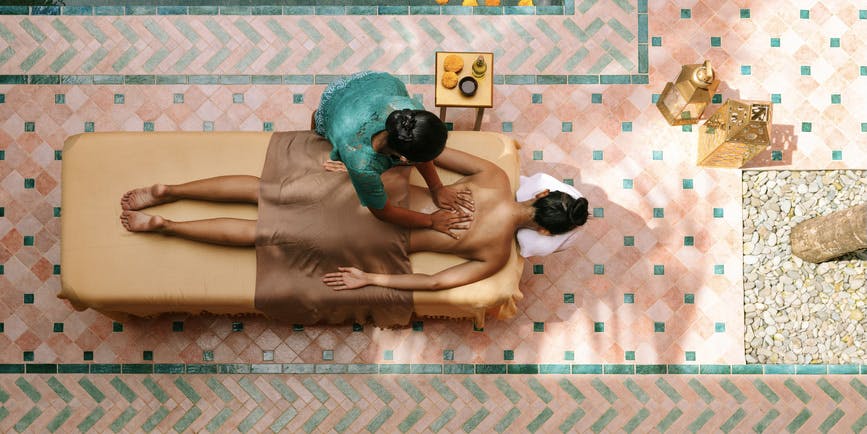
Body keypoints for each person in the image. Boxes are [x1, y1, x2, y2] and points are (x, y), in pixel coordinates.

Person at [321, 146, 589, 292]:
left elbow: (425, 150)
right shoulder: (496, 255)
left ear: (541, 193)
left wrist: (361, 169)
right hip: (368, 238)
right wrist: (368, 278)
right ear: (544, 231)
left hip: (373, 190)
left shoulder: (495, 177)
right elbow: (434, 282)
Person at [315, 71, 473, 238]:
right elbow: (383, 212)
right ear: (404, 160)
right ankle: (318, 117)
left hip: (377, 82)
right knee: (320, 124)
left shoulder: (411, 115)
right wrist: (431, 221)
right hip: (334, 100)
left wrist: (436, 188)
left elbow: (415, 145)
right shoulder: (361, 165)